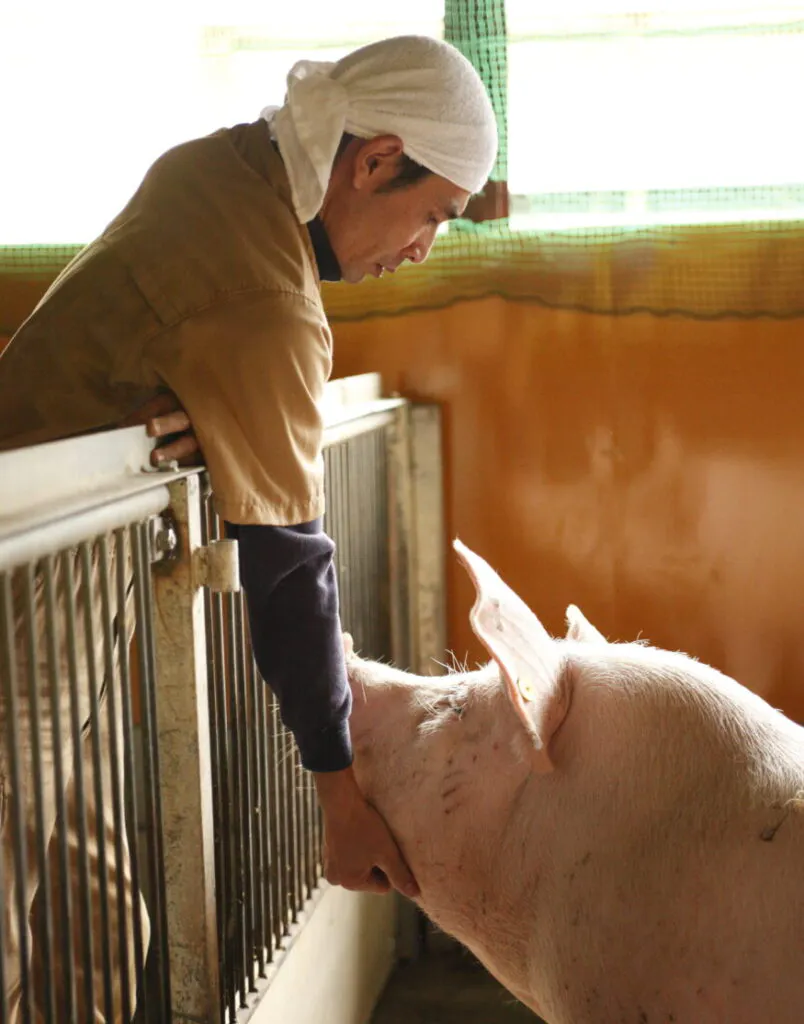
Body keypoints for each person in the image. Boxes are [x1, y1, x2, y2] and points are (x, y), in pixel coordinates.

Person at [0, 33, 497, 1019]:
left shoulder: (221, 169)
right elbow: (288, 570)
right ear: (375, 161)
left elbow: (164, 336)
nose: (422, 249)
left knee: (94, 917)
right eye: (435, 214)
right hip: (29, 572)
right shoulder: (270, 298)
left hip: (70, 557)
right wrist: (340, 794)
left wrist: (210, 425)